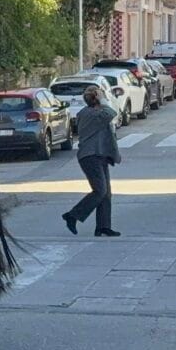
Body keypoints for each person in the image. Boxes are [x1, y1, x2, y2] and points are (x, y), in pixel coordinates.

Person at [62, 85, 121, 237]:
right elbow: (111, 112)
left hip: (100, 155)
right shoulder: (91, 114)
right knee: (100, 190)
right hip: (90, 156)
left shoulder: (94, 113)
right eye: (101, 96)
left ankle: (103, 226)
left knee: (106, 193)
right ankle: (72, 215)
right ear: (96, 99)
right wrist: (102, 99)